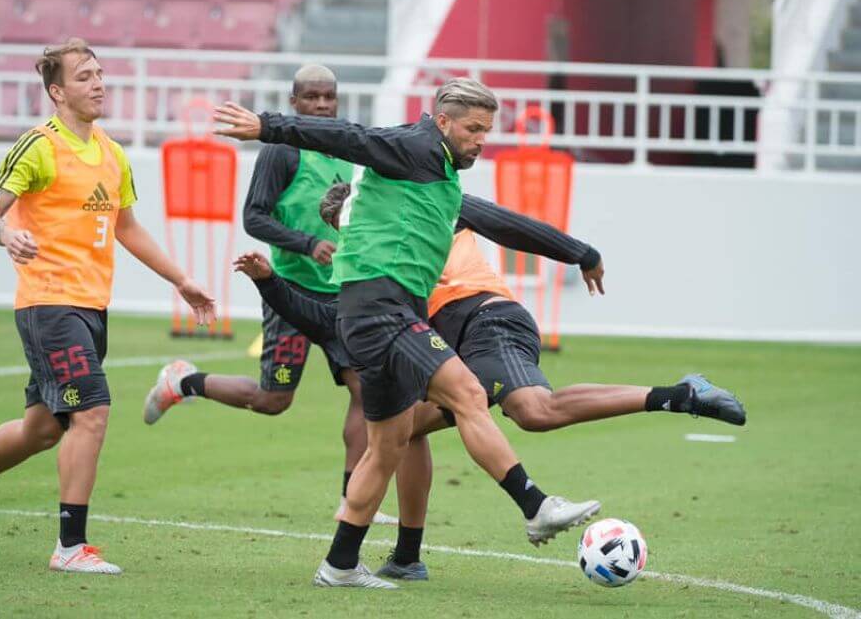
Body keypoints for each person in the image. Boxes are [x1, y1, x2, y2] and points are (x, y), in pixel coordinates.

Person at [232, 181, 746, 580]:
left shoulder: (430, 207)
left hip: (484, 317)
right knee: (406, 426)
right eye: (345, 228)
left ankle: (679, 397)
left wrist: (580, 252)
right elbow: (326, 315)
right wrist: (269, 282)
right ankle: (407, 557)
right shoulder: (365, 259)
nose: (353, 231)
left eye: (353, 220)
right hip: (449, 341)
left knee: (534, 411)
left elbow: (509, 224)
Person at [214, 77, 599, 590]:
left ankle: (340, 565)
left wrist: (579, 251)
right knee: (466, 393)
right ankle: (536, 505)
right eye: (473, 129)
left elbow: (501, 223)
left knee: (388, 444)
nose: (482, 139)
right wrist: (268, 127)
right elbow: (350, 137)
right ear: (443, 122)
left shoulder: (438, 178)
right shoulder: (415, 146)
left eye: (487, 129)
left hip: (384, 314)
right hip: (381, 312)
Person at [0, 38, 216, 574]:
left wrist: (182, 279)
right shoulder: (38, 146)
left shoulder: (112, 153)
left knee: (43, 428)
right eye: (84, 76)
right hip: (48, 303)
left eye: (100, 73)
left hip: (90, 306)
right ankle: (71, 547)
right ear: (56, 92)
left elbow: (127, 228)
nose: (98, 83)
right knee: (93, 411)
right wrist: (6, 233)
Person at [142, 65, 396, 524]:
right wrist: (306, 243)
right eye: (312, 98)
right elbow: (254, 218)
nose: (321, 106)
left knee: (366, 390)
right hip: (292, 292)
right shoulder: (281, 151)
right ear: (294, 101)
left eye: (329, 98)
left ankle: (353, 498)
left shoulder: (345, 151)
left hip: (341, 296)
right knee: (273, 401)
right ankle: (183, 382)